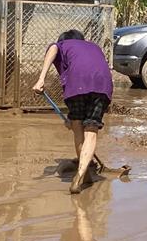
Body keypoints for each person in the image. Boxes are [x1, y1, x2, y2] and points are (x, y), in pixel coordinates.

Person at [32, 29, 113, 194]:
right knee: (91, 129)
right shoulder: (94, 47)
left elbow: (53, 48)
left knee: (77, 126)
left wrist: (41, 79)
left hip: (77, 84)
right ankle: (84, 173)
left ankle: (81, 175)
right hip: (102, 84)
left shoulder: (61, 44)